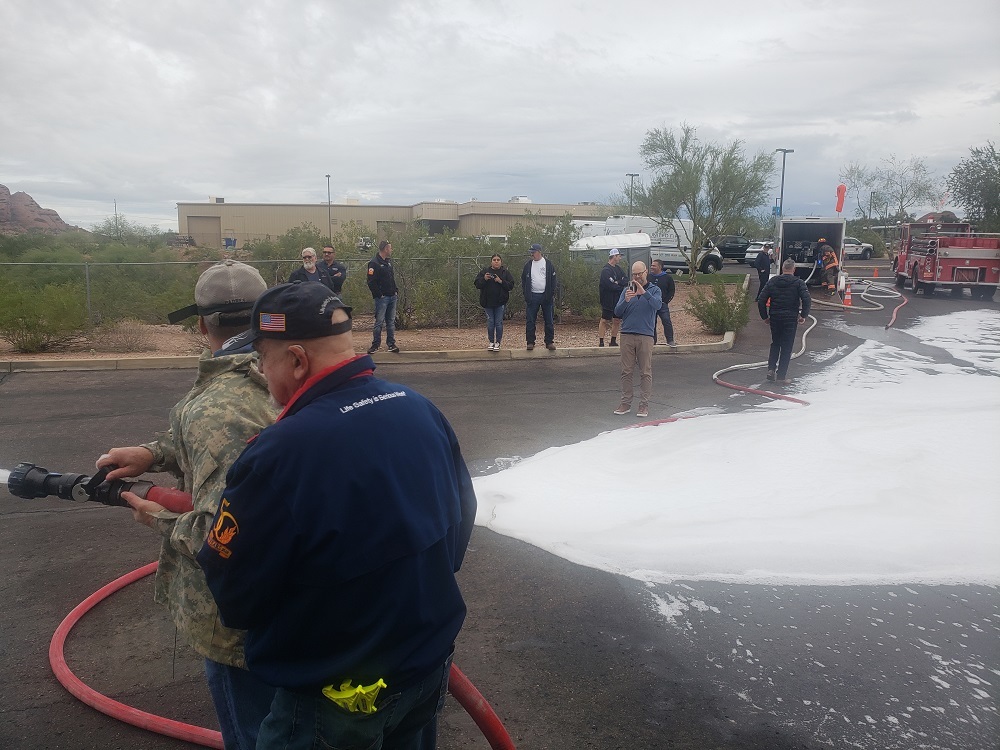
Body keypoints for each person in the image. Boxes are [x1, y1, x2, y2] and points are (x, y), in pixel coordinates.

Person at [196, 281, 477, 750]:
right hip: (424, 671)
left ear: (297, 361)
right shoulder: (418, 409)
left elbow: (237, 593)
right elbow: (460, 525)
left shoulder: (279, 453)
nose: (262, 373)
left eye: (263, 359)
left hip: (333, 698)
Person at [97, 260, 277, 749]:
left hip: (237, 623)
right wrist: (154, 453)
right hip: (296, 604)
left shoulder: (220, 403)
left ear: (201, 325)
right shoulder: (288, 368)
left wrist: (158, 515)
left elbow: (225, 533)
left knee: (257, 734)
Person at [613, 261, 662, 418]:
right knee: (626, 371)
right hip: (627, 334)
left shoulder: (655, 290)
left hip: (645, 335)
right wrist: (626, 300)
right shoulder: (626, 290)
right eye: (634, 274)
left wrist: (644, 293)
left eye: (639, 274)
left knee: (645, 371)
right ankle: (625, 403)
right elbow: (617, 312)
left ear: (646, 272)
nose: (636, 277)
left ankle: (643, 405)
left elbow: (658, 305)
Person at [757, 258, 811, 385]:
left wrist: (765, 317)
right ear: (794, 269)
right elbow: (807, 300)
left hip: (775, 317)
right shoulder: (799, 283)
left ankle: (771, 369)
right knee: (787, 347)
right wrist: (803, 315)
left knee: (775, 343)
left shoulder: (772, 281)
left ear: (782, 268)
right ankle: (781, 376)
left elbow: (761, 300)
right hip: (790, 318)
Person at [473, 253, 515, 351]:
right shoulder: (484, 272)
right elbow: (477, 284)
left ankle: (498, 342)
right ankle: (491, 342)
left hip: (500, 303)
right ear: (491, 261)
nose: (496, 261)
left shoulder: (505, 273)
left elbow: (510, 286)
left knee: (499, 323)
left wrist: (500, 281)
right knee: (490, 323)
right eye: (494, 260)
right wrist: (484, 279)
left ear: (501, 262)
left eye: (498, 260)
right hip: (487, 303)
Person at [521, 242, 557, 351]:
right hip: (533, 296)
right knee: (530, 320)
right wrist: (526, 294)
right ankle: (530, 342)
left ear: (539, 252)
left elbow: (553, 280)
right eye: (531, 252)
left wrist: (550, 293)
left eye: (534, 252)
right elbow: (524, 280)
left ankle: (549, 342)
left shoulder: (548, 264)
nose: (532, 254)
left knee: (549, 320)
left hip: (546, 296)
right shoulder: (528, 265)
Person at [367, 240, 399, 354]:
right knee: (379, 322)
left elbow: (391, 278)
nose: (391, 250)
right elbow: (371, 282)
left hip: (392, 296)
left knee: (391, 322)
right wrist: (379, 294)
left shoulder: (388, 262)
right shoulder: (374, 263)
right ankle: (375, 345)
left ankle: (391, 344)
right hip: (382, 298)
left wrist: (395, 290)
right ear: (385, 249)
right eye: (390, 248)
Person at [598, 248, 627, 347]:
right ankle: (601, 341)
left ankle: (613, 341)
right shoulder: (606, 270)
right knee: (604, 320)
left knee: (617, 320)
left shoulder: (618, 269)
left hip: (617, 299)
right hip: (608, 299)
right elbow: (610, 285)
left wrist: (617, 282)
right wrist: (619, 286)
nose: (620, 258)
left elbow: (625, 279)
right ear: (614, 256)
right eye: (619, 256)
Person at [647, 258, 676, 346]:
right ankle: (653, 341)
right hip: (651, 304)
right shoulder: (648, 277)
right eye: (651, 265)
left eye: (654, 266)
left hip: (662, 304)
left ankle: (670, 340)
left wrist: (666, 301)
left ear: (659, 267)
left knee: (666, 321)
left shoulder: (667, 278)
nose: (652, 267)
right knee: (652, 323)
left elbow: (671, 291)